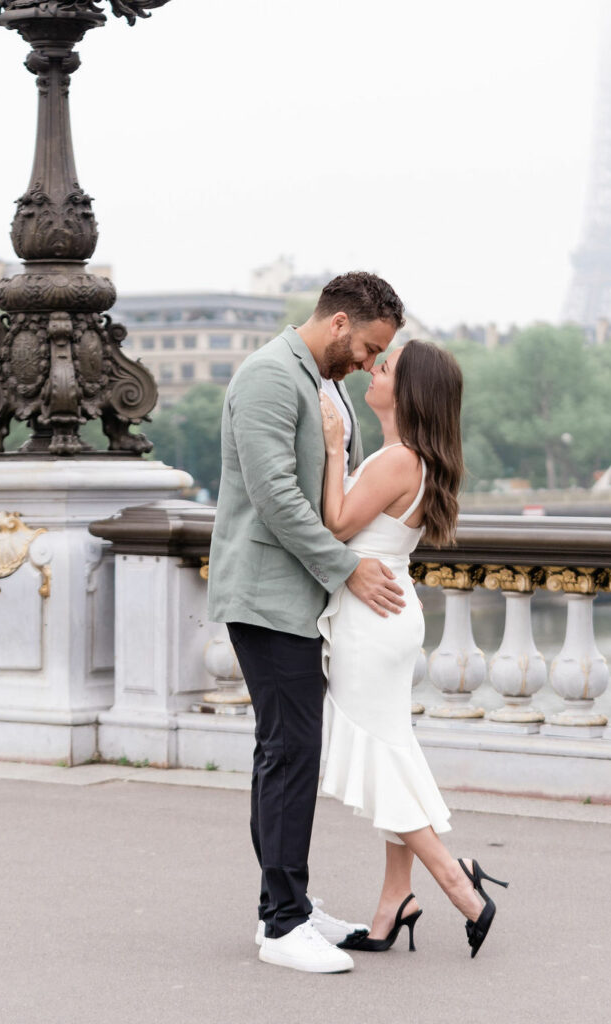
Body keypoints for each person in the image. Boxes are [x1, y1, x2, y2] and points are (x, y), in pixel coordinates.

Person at [207, 271, 410, 974]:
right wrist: (347, 568)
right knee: (290, 753)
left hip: (294, 596)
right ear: (339, 323)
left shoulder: (324, 382)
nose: (370, 362)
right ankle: (282, 924)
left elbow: (328, 493)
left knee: (287, 752)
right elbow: (274, 497)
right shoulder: (270, 376)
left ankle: (287, 903)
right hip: (267, 595)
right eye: (369, 347)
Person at [315, 339, 509, 959]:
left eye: (388, 367)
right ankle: (395, 899)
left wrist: (334, 449)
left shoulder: (398, 460)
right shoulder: (413, 460)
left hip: (371, 621)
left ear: (409, 392)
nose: (374, 369)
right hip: (388, 614)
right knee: (390, 751)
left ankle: (456, 882)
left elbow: (337, 524)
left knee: (376, 757)